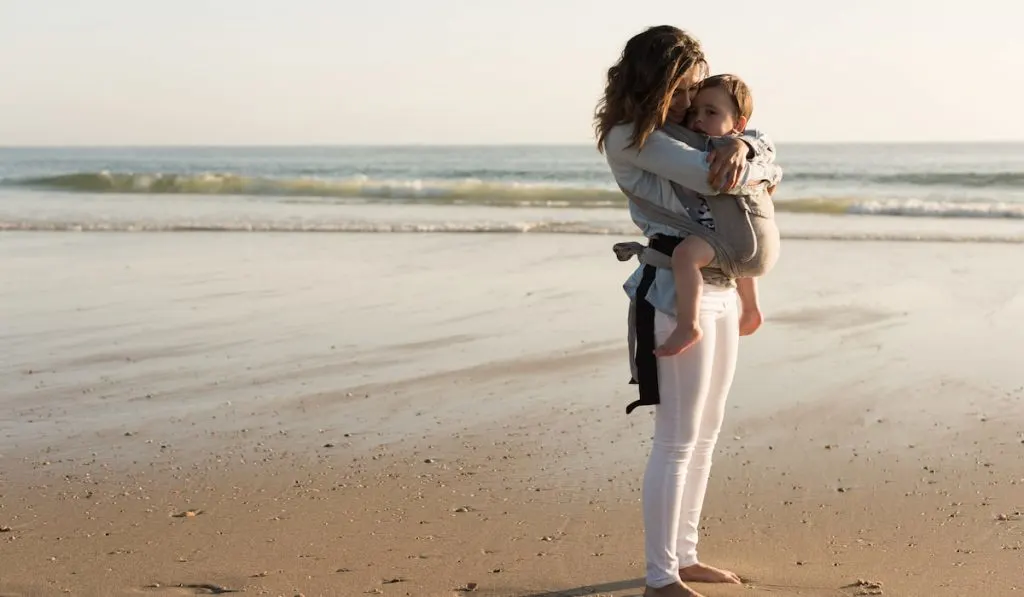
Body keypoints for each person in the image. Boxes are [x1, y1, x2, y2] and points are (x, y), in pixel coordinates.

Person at [595, 26, 782, 597]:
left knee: (707, 432)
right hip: (674, 293)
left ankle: (686, 556)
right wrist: (747, 157)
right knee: (676, 437)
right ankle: (660, 578)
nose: (687, 100)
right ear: (656, 80)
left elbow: (763, 162)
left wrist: (747, 146)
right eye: (681, 87)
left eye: (696, 90)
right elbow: (715, 178)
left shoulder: (683, 131)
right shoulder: (633, 136)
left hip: (721, 283)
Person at [656, 74, 777, 356]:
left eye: (711, 112)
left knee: (685, 255)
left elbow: (762, 141)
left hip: (728, 238)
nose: (698, 119)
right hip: (746, 240)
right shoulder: (703, 142)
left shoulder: (730, 146)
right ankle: (750, 309)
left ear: (738, 125)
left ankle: (688, 324)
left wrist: (740, 145)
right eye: (694, 112)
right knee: (737, 258)